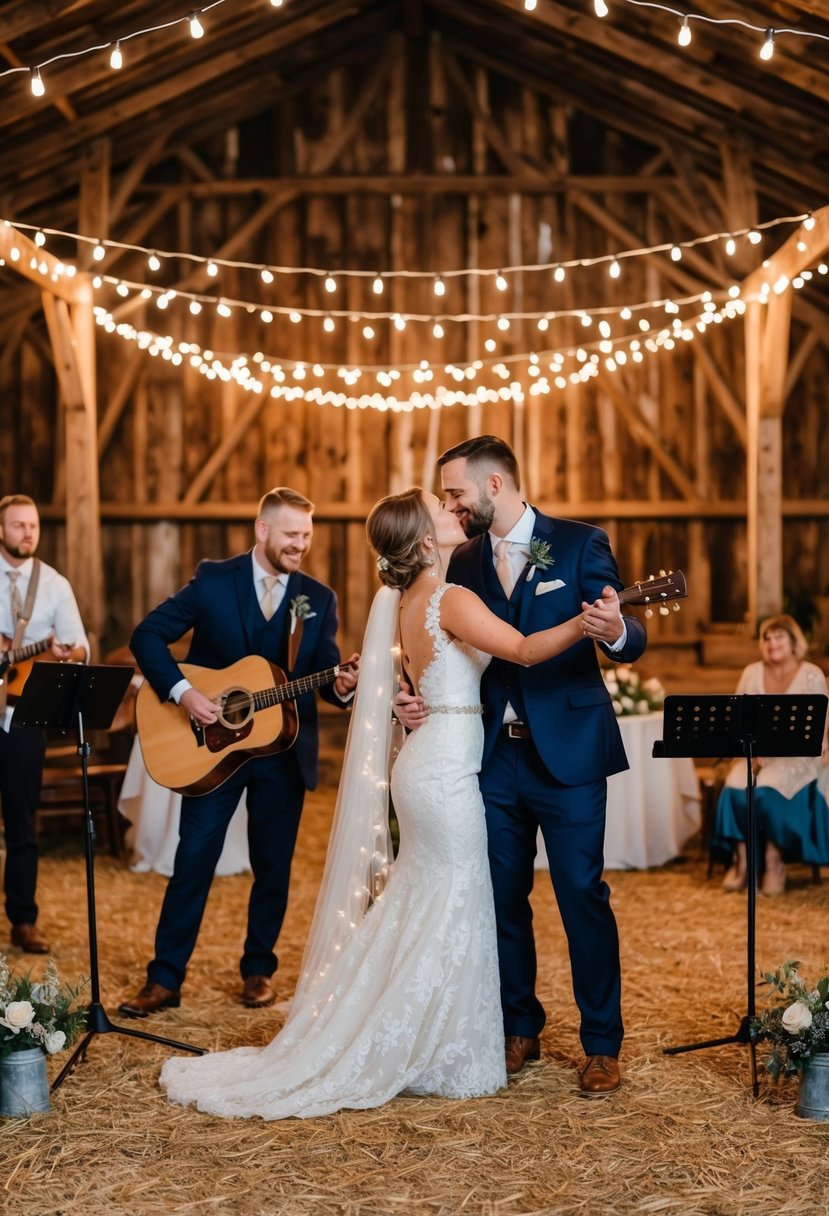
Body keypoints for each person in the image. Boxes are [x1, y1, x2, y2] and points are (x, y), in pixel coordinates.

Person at [159, 486, 595, 1119]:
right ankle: (434, 1044)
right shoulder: (450, 597)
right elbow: (525, 651)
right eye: (440, 510)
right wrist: (587, 621)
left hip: (426, 762)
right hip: (444, 771)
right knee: (453, 902)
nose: (453, 512)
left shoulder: (406, 601)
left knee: (428, 904)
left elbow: (419, 680)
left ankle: (425, 1033)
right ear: (424, 541)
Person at [396, 435, 647, 1097]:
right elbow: (440, 640)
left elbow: (630, 637)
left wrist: (616, 630)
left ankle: (600, 1041)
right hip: (489, 757)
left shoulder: (578, 542)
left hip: (568, 755)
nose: (450, 504)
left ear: (494, 486)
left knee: (581, 895)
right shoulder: (462, 560)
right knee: (501, 897)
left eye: (455, 492)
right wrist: (410, 695)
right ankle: (518, 1026)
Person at [118, 488, 359, 1016]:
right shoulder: (213, 579)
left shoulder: (318, 597)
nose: (302, 545)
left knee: (272, 868)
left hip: (283, 752)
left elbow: (327, 677)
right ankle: (164, 978)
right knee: (193, 859)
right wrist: (185, 694)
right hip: (211, 750)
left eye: (307, 536)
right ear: (263, 529)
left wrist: (342, 686)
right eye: (292, 535)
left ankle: (258, 971)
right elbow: (147, 636)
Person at [0, 493, 89, 954]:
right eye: (17, 526)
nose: (27, 533)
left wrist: (66, 653)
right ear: (2, 529)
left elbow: (81, 647)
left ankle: (23, 919)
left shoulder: (54, 584)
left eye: (32, 525)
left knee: (22, 818)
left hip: (21, 713)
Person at [712, 614, 829, 896]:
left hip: (797, 756)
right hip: (755, 753)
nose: (772, 643)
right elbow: (738, 719)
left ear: (793, 642)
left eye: (779, 636)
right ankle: (744, 862)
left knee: (765, 791)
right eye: (767, 637)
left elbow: (818, 729)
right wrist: (751, 754)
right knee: (734, 788)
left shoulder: (811, 673)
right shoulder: (751, 671)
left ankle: (773, 861)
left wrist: (773, 754)